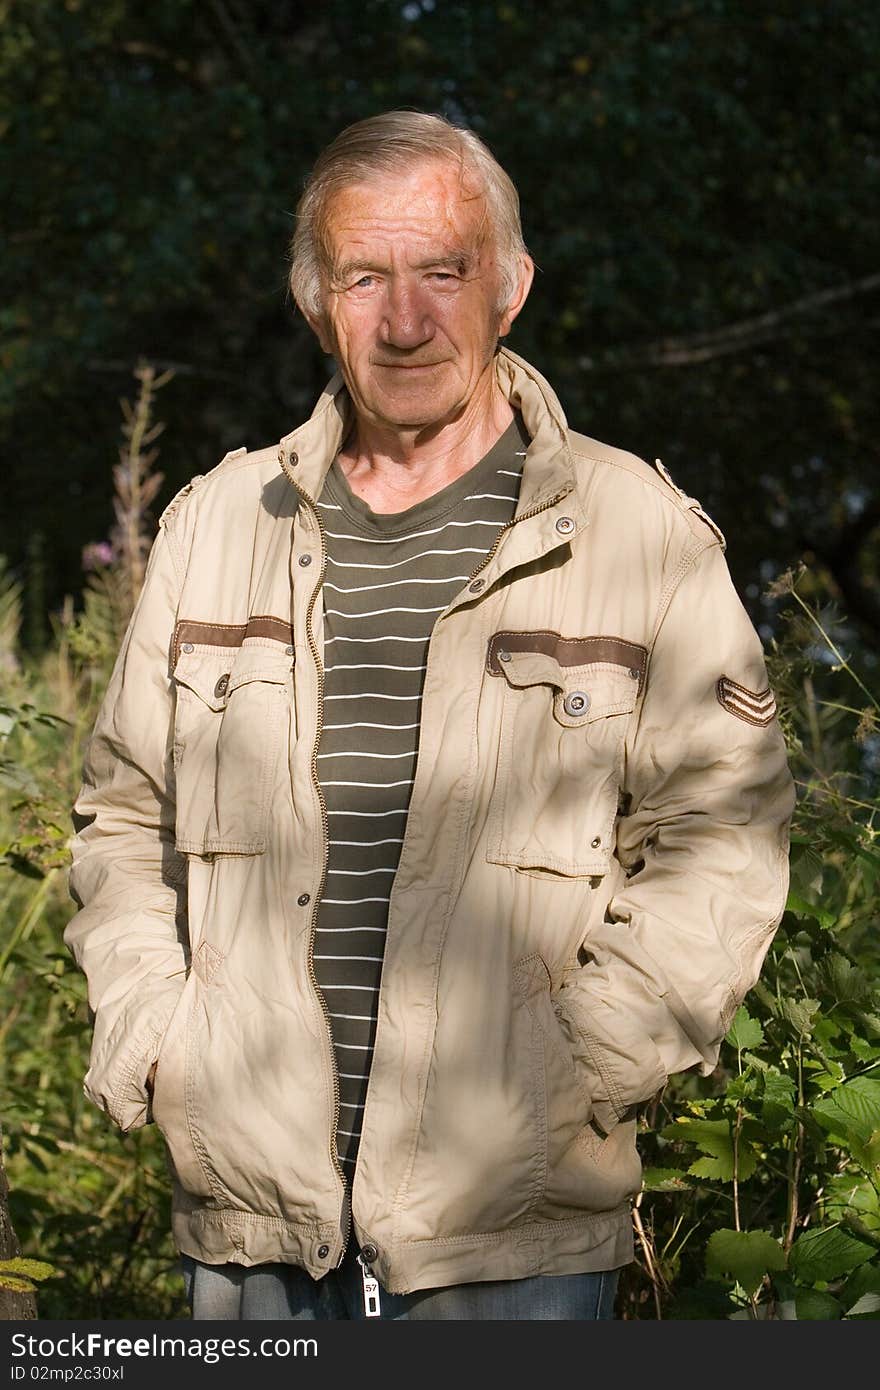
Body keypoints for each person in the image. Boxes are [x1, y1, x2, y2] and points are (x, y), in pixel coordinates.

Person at [65, 110, 795, 1322]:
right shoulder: (214, 526)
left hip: (515, 1232)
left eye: (443, 272)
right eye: (366, 276)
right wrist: (156, 1030)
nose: (405, 320)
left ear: (508, 288)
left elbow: (725, 834)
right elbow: (125, 812)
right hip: (249, 1226)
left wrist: (583, 1066)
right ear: (318, 302)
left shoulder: (639, 535)